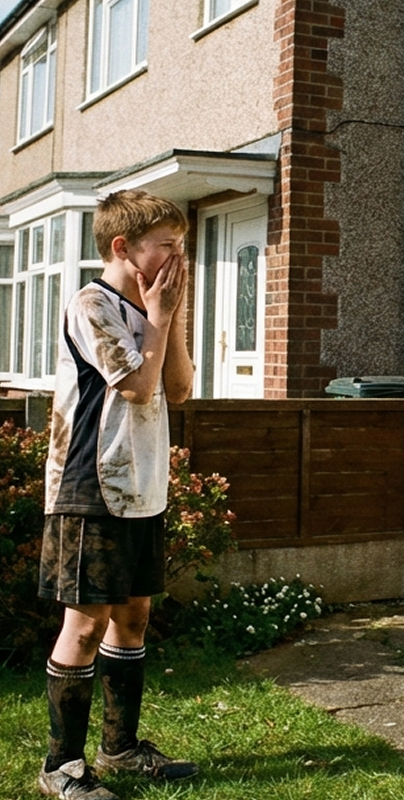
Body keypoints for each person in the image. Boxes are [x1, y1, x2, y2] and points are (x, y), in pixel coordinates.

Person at [36, 190, 197, 799]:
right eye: (168, 245)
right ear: (124, 248)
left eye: (182, 244)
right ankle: (61, 767)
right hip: (90, 486)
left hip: (142, 485)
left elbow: (176, 390)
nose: (179, 256)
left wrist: (168, 317)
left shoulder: (152, 309)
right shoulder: (91, 304)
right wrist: (156, 321)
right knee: (85, 623)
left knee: (133, 615)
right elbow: (135, 387)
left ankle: (121, 749)